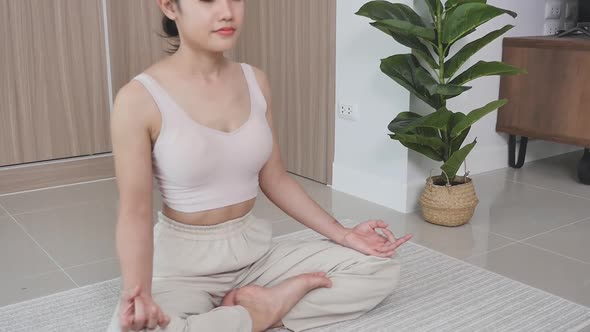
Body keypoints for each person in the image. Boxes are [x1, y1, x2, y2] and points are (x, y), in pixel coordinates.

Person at [107, 0, 413, 331]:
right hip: (183, 267)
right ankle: (262, 312)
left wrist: (343, 235)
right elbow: (135, 213)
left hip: (254, 256)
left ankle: (245, 314)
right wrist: (136, 293)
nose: (227, 11)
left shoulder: (255, 80)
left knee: (378, 267)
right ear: (170, 6)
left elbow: (276, 179)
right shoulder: (137, 99)